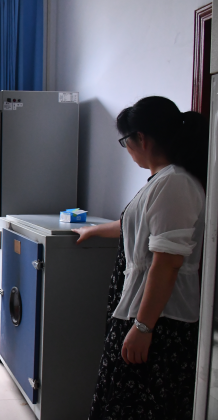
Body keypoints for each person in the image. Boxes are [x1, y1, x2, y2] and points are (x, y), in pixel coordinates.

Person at [73, 97, 208, 419]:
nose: (128, 150)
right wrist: (92, 230)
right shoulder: (163, 181)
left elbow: (168, 262)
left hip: (159, 322)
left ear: (141, 138)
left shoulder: (175, 183)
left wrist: (143, 328)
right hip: (139, 312)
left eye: (125, 142)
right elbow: (132, 225)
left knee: (134, 404)